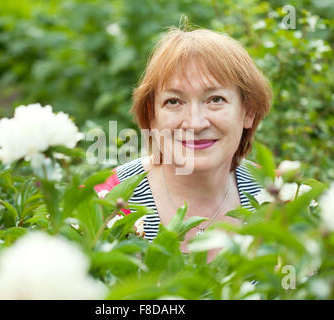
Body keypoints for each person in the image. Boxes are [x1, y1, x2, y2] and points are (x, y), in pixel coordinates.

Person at [95, 25, 273, 260]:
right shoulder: (103, 206)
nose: (195, 123)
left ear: (248, 111)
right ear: (151, 115)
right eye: (174, 101)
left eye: (215, 99)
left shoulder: (282, 198)